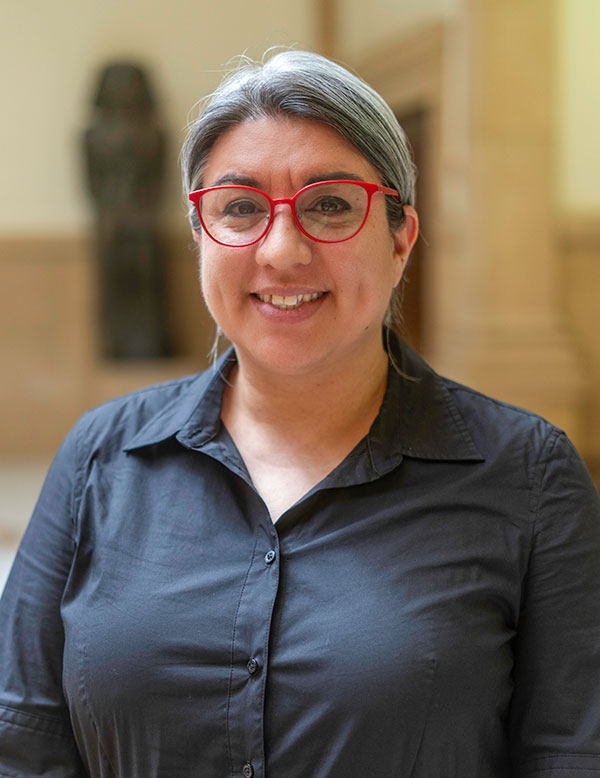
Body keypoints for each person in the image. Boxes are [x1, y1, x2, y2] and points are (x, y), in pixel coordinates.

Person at [1, 49, 599, 778]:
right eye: (240, 208)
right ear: (200, 235)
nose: (282, 251)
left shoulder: (527, 475)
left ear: (401, 234)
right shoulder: (102, 457)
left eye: (330, 205)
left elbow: (572, 752)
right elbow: (23, 743)